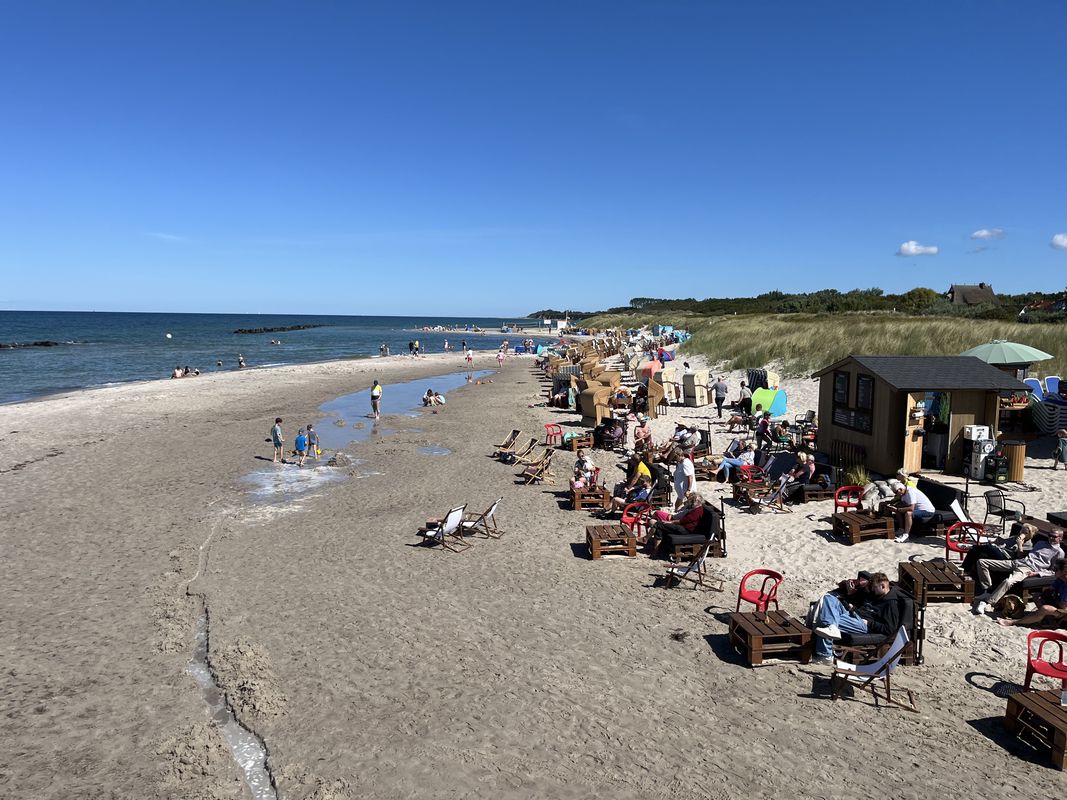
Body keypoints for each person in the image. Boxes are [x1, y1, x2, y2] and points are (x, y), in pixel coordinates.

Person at [812, 572, 901, 663]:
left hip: (864, 625)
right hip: (854, 614)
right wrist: (851, 597)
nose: (872, 590)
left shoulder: (890, 604)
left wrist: (869, 623)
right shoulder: (876, 594)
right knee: (828, 598)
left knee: (826, 617)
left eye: (874, 587)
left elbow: (890, 629)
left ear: (882, 586)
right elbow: (864, 606)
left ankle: (825, 654)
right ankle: (830, 632)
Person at [974, 528, 1065, 615]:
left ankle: (988, 602)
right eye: (1050, 535)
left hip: (1028, 568)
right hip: (1019, 561)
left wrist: (1038, 573)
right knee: (982, 562)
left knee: (1008, 581)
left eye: (1054, 536)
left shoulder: (1058, 552)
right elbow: (1029, 554)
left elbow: (1055, 571)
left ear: (1060, 538)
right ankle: (987, 590)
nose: (1051, 537)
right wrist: (1019, 545)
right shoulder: (1040, 543)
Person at [998, 558, 1067, 627]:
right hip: (1060, 603)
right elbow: (1050, 589)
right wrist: (1047, 594)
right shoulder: (1060, 579)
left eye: (1056, 569)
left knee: (1045, 608)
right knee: (1037, 596)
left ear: (1064, 571)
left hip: (1064, 611)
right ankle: (1048, 619)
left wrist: (1052, 598)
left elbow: (1062, 606)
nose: (1054, 571)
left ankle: (1014, 622)